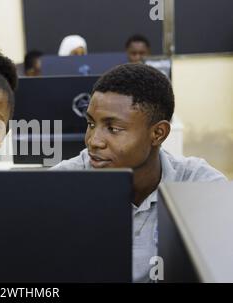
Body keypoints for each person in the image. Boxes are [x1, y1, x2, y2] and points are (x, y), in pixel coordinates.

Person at [52, 63, 227, 283]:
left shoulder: (199, 187)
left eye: (113, 129)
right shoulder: (61, 184)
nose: (93, 141)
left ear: (158, 133)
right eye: (91, 123)